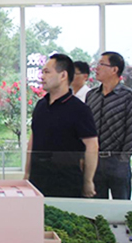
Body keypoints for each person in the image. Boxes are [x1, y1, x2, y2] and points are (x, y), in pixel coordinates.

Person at [24, 54, 99, 198]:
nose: (42, 77)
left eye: (47, 72)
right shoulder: (41, 105)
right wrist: (27, 173)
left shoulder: (79, 109)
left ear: (63, 75)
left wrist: (88, 180)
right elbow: (33, 139)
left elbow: (92, 145)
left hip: (66, 181)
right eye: (42, 72)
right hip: (38, 177)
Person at [86, 52, 132, 200]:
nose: (96, 68)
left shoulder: (129, 96)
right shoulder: (92, 96)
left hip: (117, 162)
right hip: (94, 162)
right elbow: (86, 128)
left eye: (101, 64)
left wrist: (123, 158)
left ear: (114, 70)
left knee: (121, 207)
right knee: (96, 208)